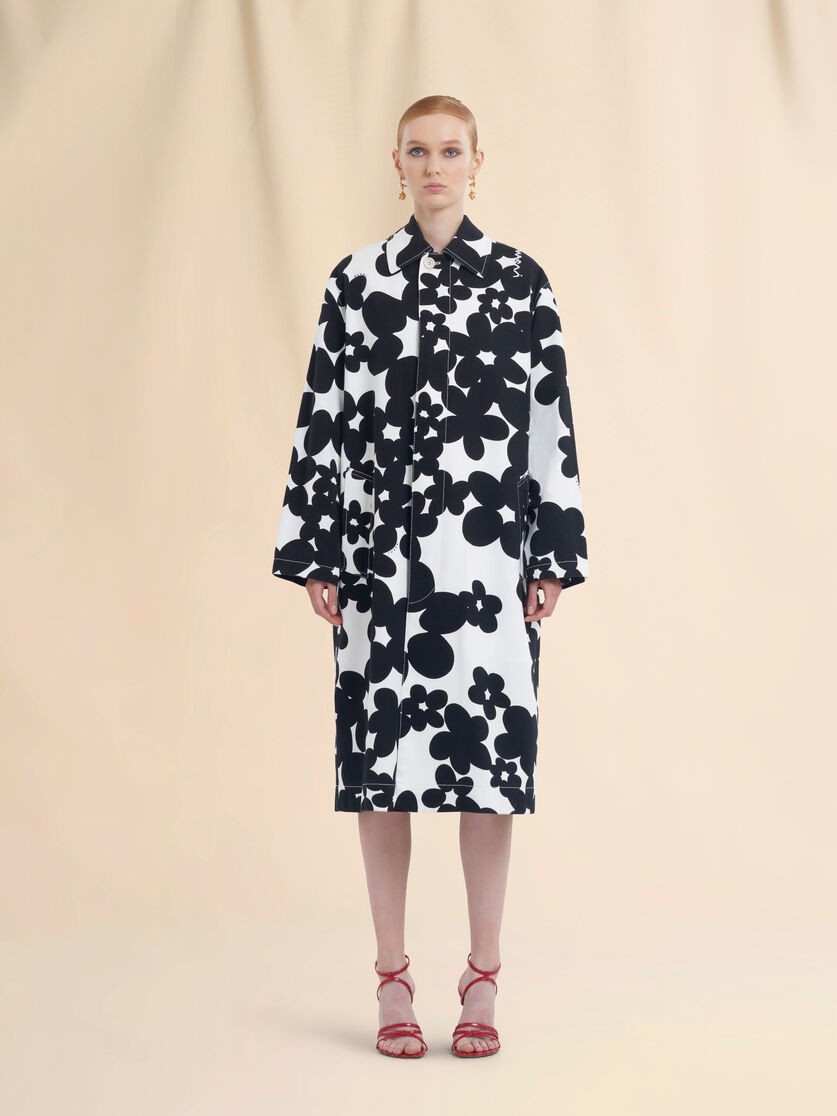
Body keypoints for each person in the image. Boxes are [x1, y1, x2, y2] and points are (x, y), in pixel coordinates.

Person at [272, 95, 588, 1059]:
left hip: (488, 568)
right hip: (378, 566)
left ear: (476, 162)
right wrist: (316, 551)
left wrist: (552, 554)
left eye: (451, 150)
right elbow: (322, 417)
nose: (435, 166)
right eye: (419, 151)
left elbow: (547, 426)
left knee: (486, 778)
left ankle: (482, 977)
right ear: (397, 164)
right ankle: (391, 976)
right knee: (381, 776)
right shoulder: (355, 283)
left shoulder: (521, 283)